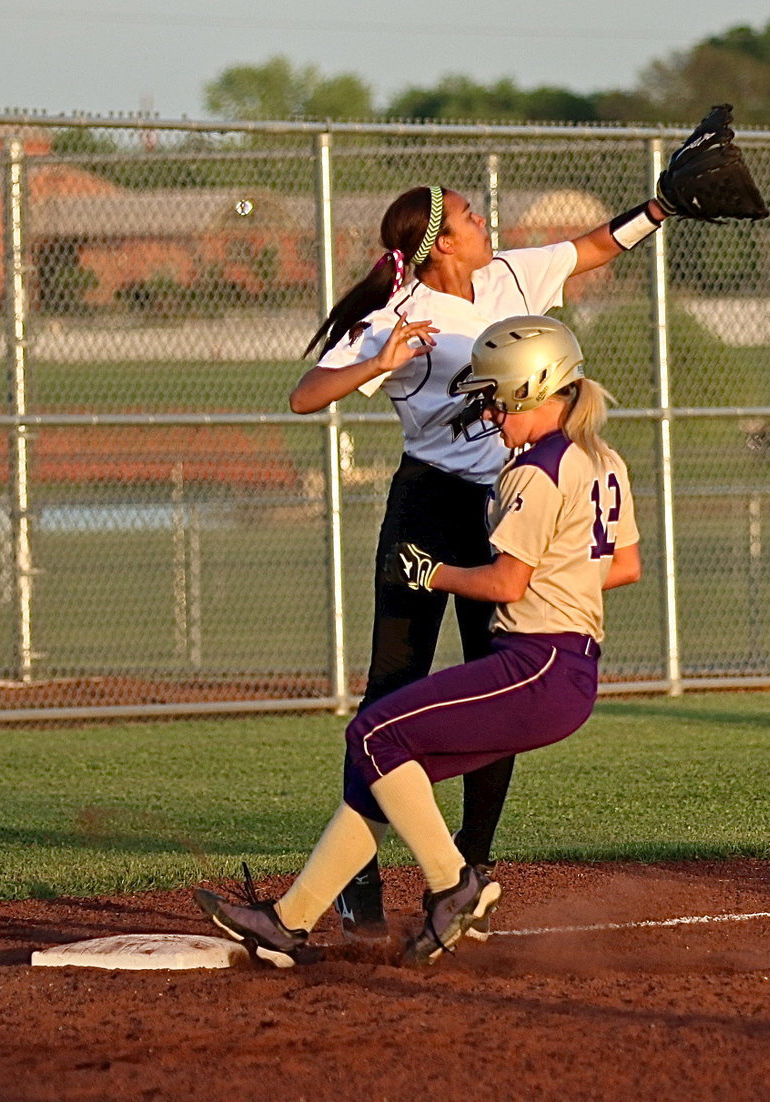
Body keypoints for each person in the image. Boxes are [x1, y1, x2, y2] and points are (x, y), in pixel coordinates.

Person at [197, 315, 641, 966]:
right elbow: (623, 566)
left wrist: (431, 573)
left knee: (371, 735)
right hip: (565, 669)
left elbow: (505, 583)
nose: (488, 415)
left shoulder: (536, 470)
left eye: (495, 399)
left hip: (535, 662)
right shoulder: (602, 458)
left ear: (534, 388)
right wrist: (560, 577)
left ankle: (453, 884)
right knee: (386, 771)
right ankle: (287, 923)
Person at [288, 184, 667, 943]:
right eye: (468, 216)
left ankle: (470, 866)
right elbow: (306, 396)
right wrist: (378, 364)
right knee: (392, 687)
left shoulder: (507, 276)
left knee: (494, 677)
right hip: (428, 502)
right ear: (439, 243)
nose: (483, 219)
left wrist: (659, 209)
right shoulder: (394, 312)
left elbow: (593, 247)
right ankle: (358, 880)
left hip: (503, 501)